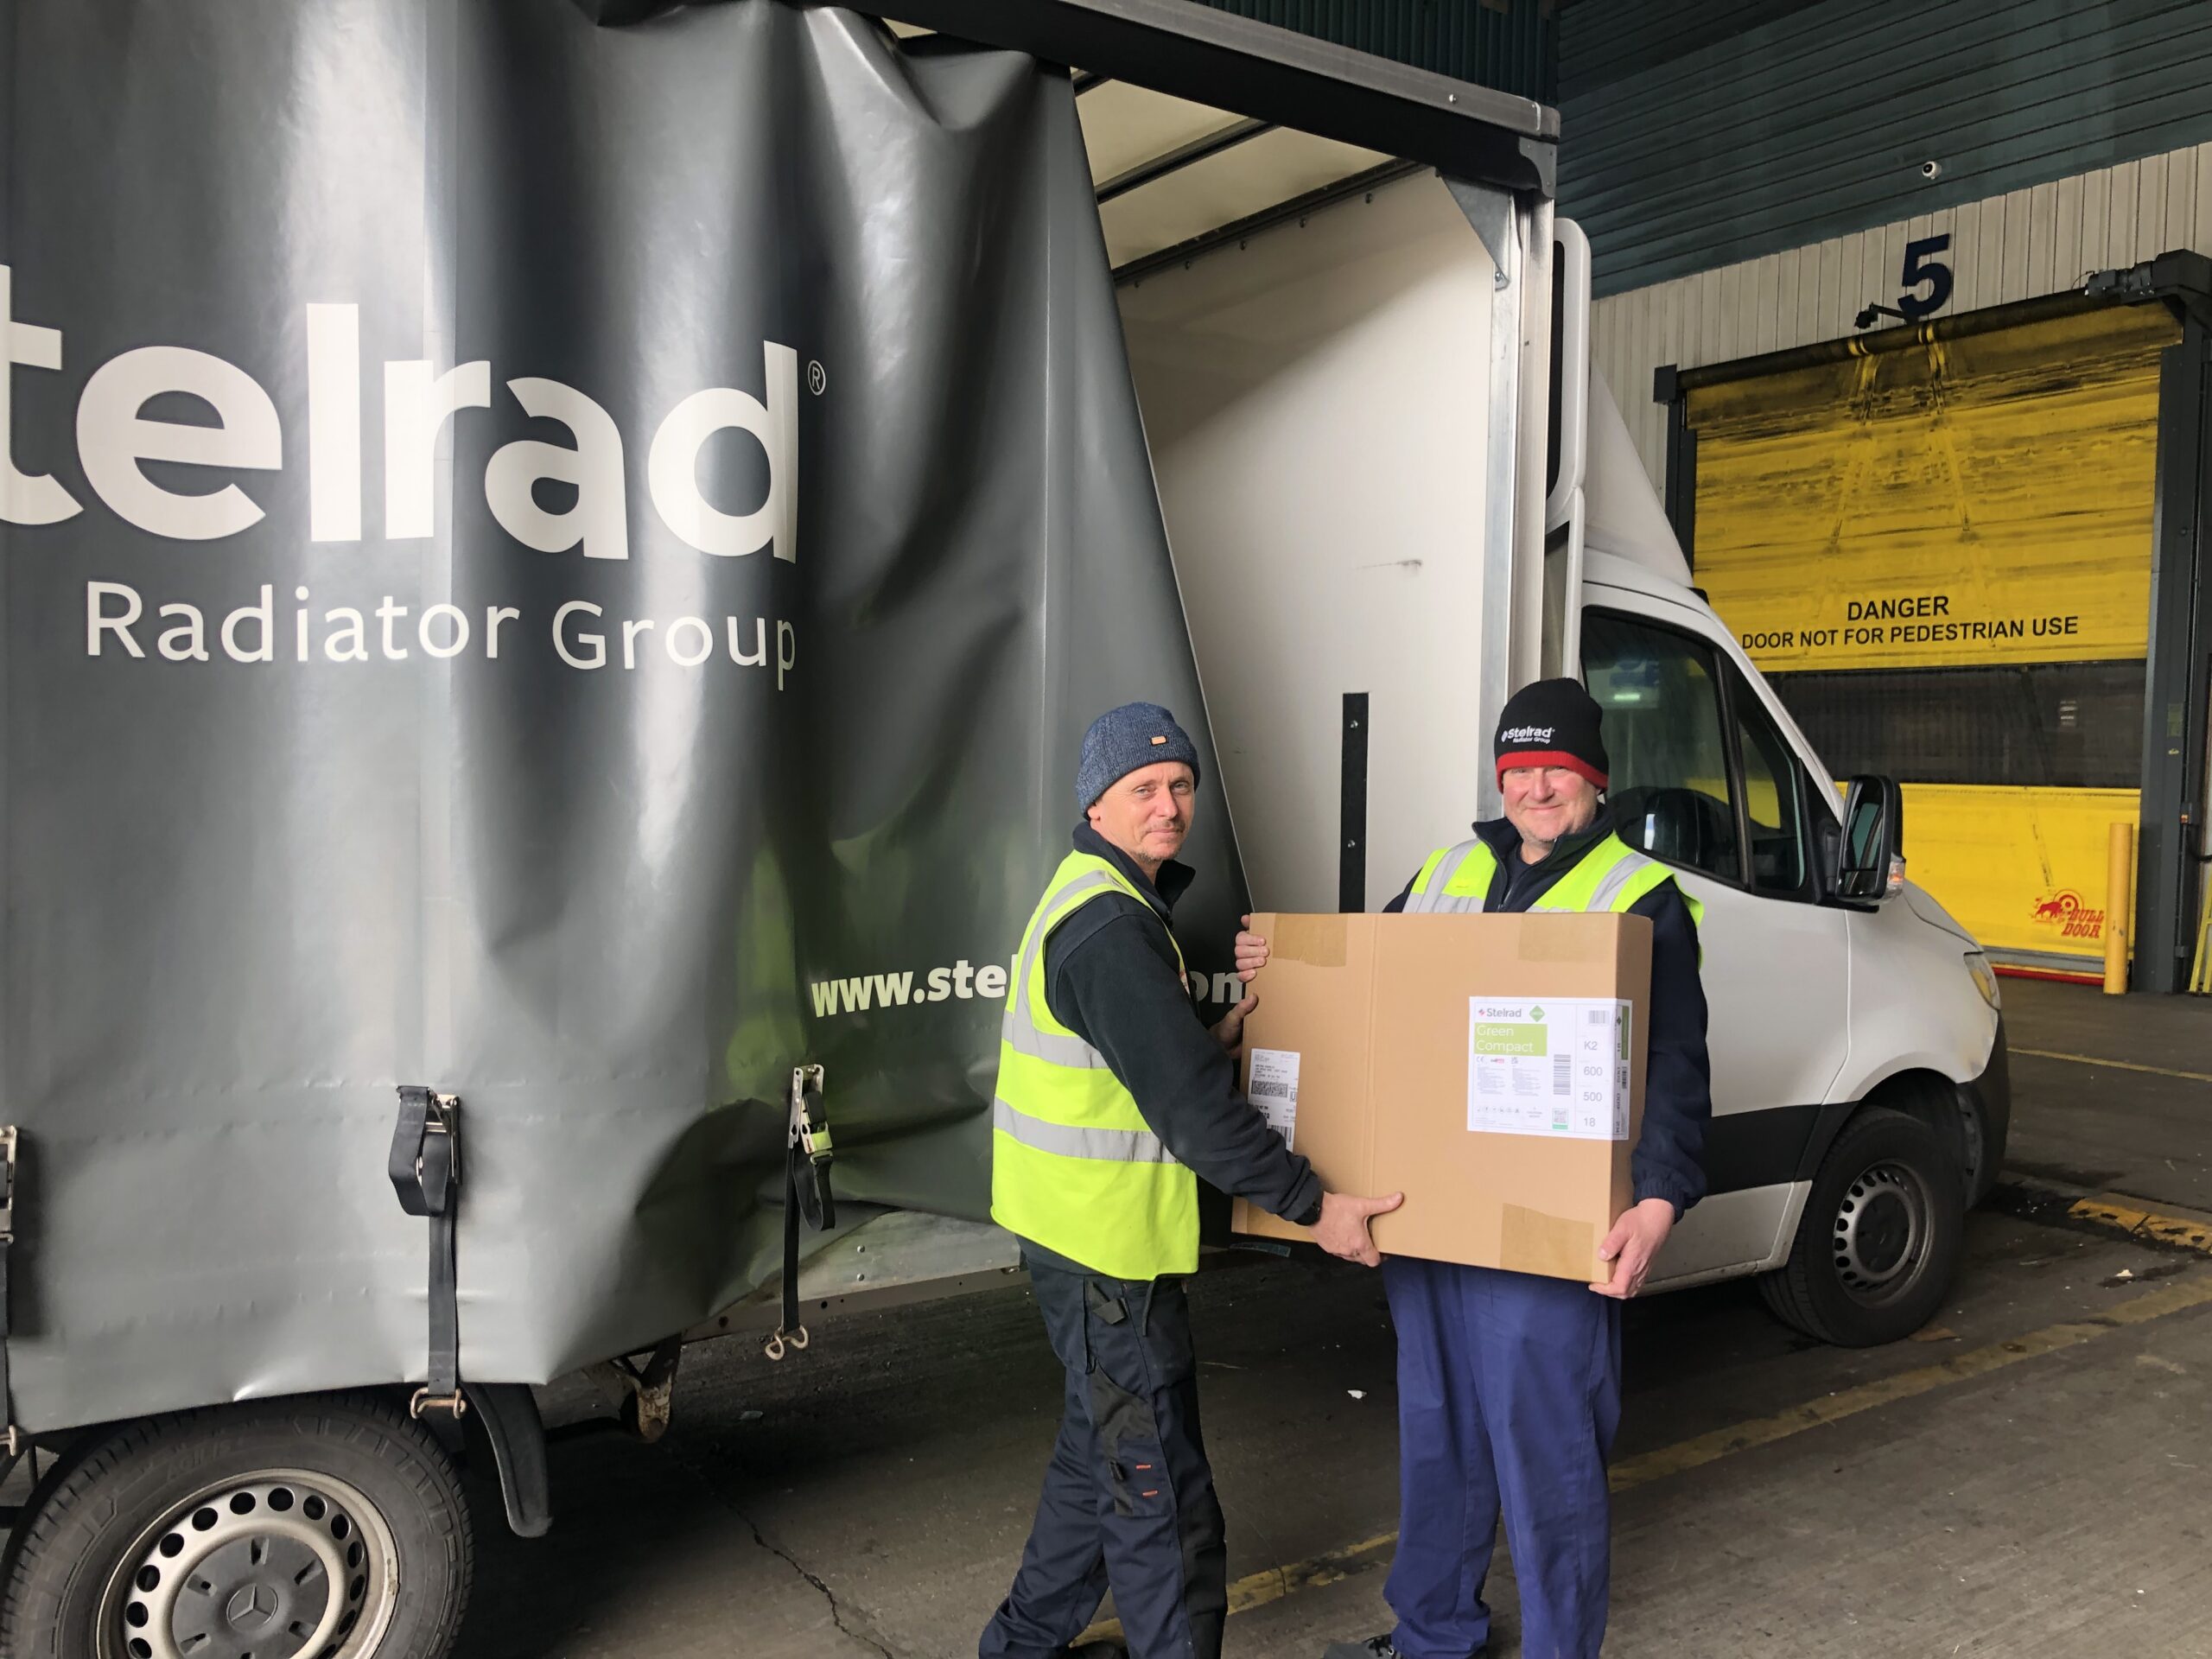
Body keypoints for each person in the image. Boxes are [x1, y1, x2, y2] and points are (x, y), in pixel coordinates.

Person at [1239, 678, 1712, 1659]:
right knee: (1437, 1438)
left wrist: (1660, 1200)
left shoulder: (1640, 896)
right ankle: (1433, 1634)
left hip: (1549, 1235)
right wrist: (1270, 969)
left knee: (1549, 1462)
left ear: (1596, 780)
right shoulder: (1446, 871)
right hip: (1437, 1221)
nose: (1537, 788)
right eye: (1519, 770)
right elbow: (1368, 1002)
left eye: (1558, 770)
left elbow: (1674, 1068)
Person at [979, 702, 1404, 1659]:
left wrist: (1203, 1041)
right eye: (1143, 789)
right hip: (1106, 1260)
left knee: (1099, 1460)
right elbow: (1192, 1114)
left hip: (1074, 1240)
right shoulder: (1109, 927)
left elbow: (1130, 1068)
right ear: (1097, 803)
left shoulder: (1098, 897)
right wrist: (1315, 1206)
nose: (1167, 806)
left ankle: (1019, 1647)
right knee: (1159, 1497)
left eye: (1179, 787)